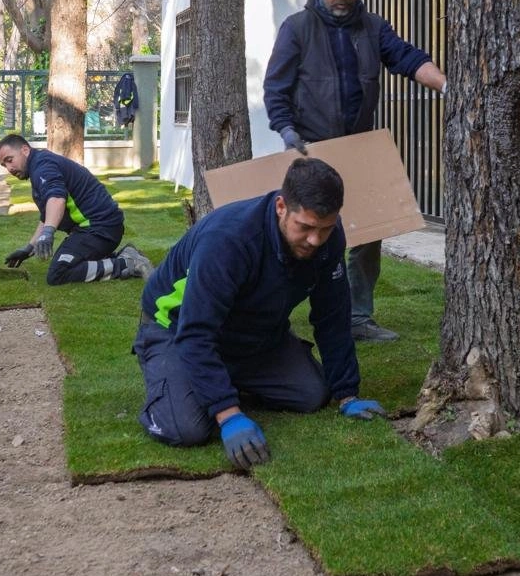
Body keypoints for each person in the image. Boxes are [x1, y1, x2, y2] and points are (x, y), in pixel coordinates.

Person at [134, 157, 385, 468]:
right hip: (174, 328)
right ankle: (170, 383)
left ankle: (224, 377)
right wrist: (228, 415)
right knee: (189, 429)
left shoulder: (328, 238)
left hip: (252, 334)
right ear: (281, 206)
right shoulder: (229, 240)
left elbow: (333, 315)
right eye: (305, 227)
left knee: (312, 394)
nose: (315, 240)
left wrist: (347, 393)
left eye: (325, 228)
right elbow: (195, 332)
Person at [263, 0, 447, 343]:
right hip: (311, 148)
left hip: (360, 147)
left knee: (368, 235)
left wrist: (449, 87)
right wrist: (286, 131)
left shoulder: (374, 28)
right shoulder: (296, 28)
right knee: (302, 233)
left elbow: (407, 58)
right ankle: (272, 314)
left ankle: (357, 318)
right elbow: (275, 88)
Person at [0, 133, 152, 284]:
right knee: (68, 262)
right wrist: (29, 248)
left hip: (99, 229)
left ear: (25, 150)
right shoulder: (40, 163)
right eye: (4, 164)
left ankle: (126, 264)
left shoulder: (42, 166)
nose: (9, 168)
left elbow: (56, 198)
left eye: (9, 159)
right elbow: (47, 214)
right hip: (100, 227)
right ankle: (124, 256)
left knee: (59, 272)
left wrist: (48, 233)